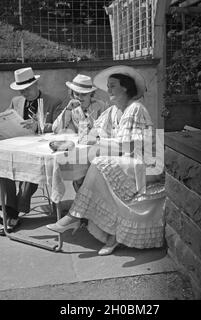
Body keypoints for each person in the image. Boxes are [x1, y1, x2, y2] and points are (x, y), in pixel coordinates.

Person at [46, 65, 165, 255]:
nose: (108, 90)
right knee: (94, 164)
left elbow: (129, 147)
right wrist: (79, 119)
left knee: (99, 163)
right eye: (108, 85)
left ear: (125, 88)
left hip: (145, 163)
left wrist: (98, 140)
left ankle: (75, 216)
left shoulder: (135, 109)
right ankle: (106, 232)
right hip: (126, 161)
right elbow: (91, 134)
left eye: (112, 85)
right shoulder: (112, 111)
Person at [0, 67, 63, 236]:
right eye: (21, 90)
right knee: (2, 165)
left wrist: (40, 126)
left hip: (41, 150)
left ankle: (12, 213)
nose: (24, 93)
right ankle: (11, 208)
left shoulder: (54, 101)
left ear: (36, 84)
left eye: (27, 89)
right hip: (19, 145)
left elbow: (60, 127)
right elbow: (6, 118)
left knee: (31, 166)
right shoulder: (15, 101)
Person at [51, 73, 107, 191]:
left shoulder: (101, 106)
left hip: (98, 150)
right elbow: (56, 128)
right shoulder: (72, 108)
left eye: (84, 94)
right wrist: (67, 109)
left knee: (92, 178)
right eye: (77, 94)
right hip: (81, 151)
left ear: (91, 94)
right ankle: (82, 205)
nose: (80, 97)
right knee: (78, 176)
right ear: (72, 94)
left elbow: (105, 130)